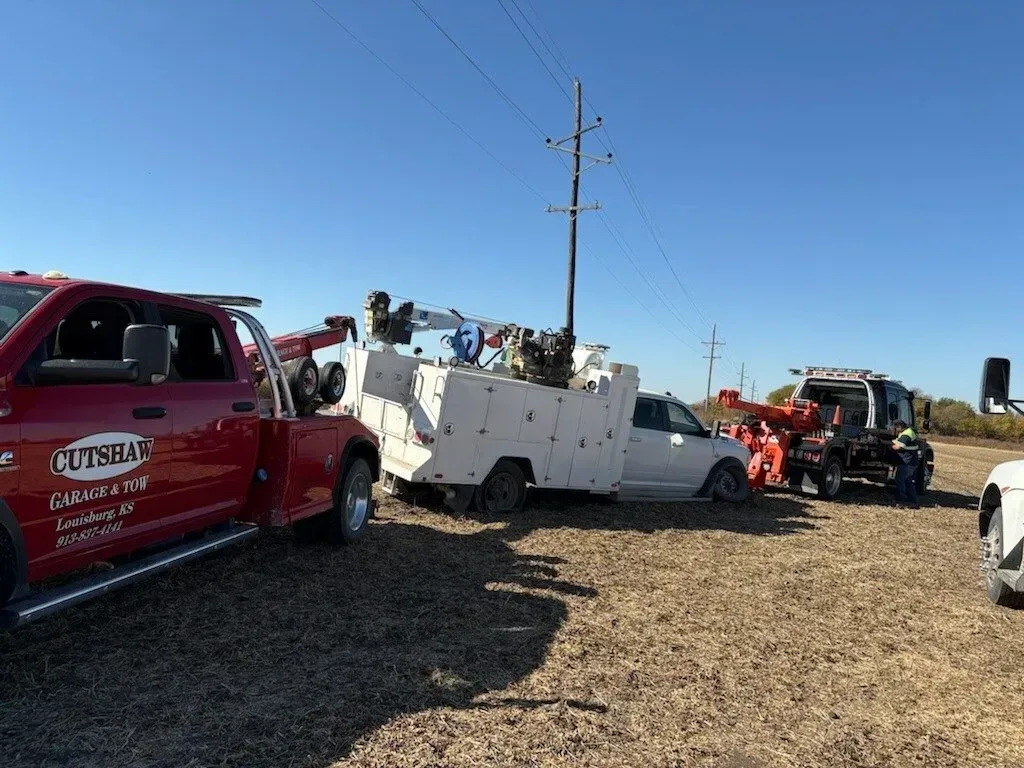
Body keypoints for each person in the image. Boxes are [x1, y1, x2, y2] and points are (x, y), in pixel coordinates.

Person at [891, 419, 920, 508]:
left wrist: (891, 446)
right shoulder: (908, 431)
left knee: (900, 479)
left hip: (907, 462)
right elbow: (898, 440)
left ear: (899, 426)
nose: (895, 429)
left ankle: (901, 501)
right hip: (911, 462)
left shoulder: (906, 434)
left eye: (896, 427)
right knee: (908, 481)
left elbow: (898, 446)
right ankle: (913, 501)